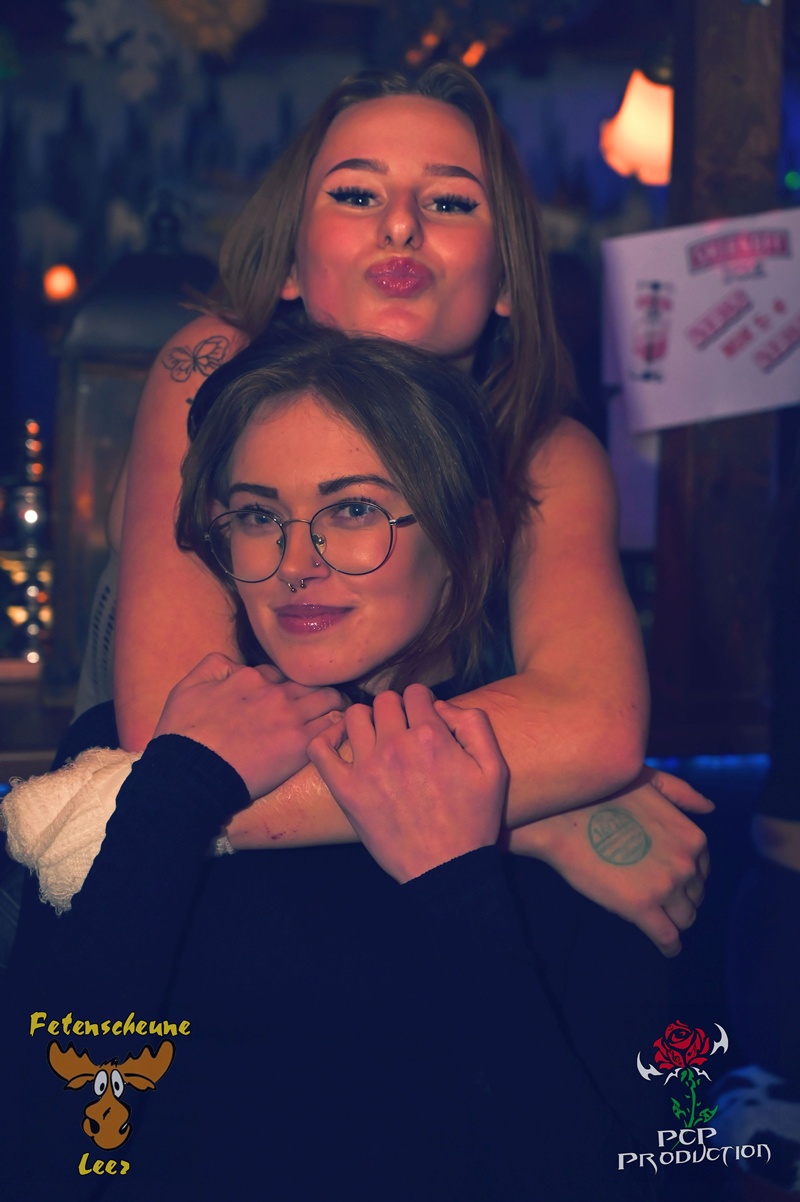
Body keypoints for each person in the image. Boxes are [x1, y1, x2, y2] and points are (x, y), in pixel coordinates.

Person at [3, 332, 657, 1201]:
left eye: (352, 510)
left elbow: (610, 1178)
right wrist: (177, 789)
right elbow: (44, 1151)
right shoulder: (129, 761)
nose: (295, 565)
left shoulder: (565, 796)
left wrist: (458, 880)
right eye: (258, 516)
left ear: (469, 537)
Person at [91, 62, 709, 958]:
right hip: (158, 923)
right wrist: (527, 813)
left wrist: (521, 788)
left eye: (451, 202)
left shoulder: (546, 455)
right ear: (292, 262)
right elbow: (181, 755)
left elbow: (596, 727)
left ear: (505, 280)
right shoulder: (210, 374)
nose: (401, 224)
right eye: (356, 194)